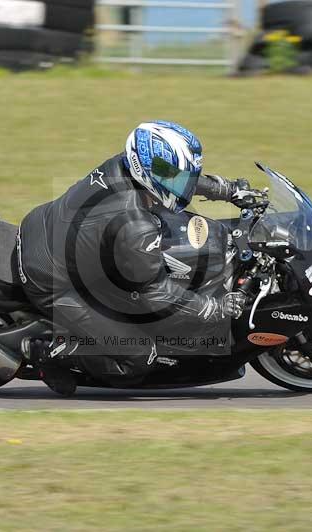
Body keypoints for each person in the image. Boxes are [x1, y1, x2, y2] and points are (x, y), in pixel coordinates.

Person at [18, 121, 263, 395]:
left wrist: (227, 190)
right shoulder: (134, 224)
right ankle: (49, 353)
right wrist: (214, 309)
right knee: (138, 357)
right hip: (53, 283)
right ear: (146, 169)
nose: (181, 183)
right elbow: (154, 292)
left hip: (43, 227)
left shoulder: (122, 165)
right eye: (174, 177)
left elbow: (176, 178)